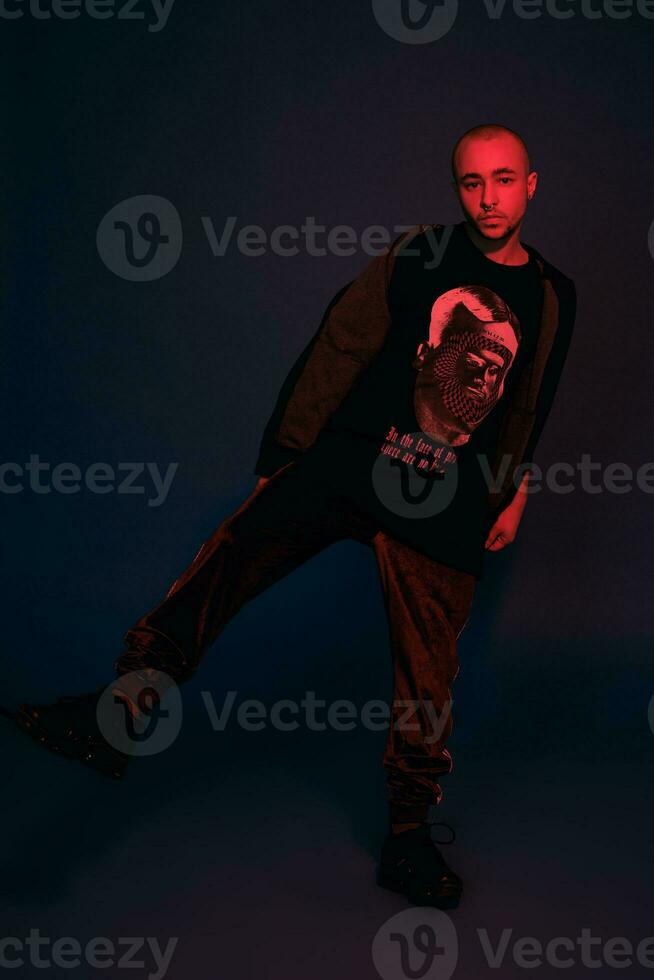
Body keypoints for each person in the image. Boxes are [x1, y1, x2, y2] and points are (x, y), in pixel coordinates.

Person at [12, 123, 577, 910]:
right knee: (228, 558)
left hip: (449, 501)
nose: (489, 198)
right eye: (473, 183)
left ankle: (408, 839)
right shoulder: (420, 254)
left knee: (427, 680)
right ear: (458, 189)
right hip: (349, 465)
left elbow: (528, 403)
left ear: (532, 185)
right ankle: (118, 716)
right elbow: (341, 343)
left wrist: (512, 488)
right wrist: (285, 456)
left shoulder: (552, 295)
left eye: (505, 180)